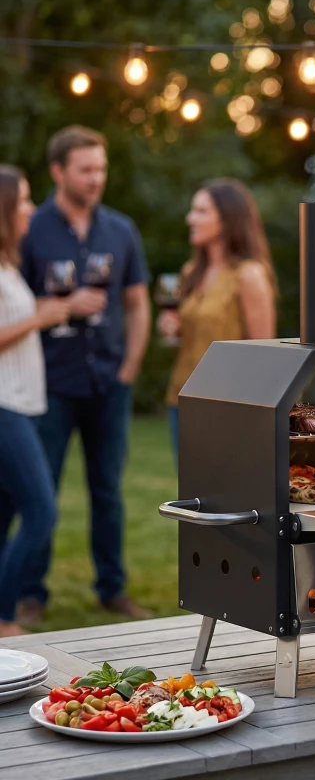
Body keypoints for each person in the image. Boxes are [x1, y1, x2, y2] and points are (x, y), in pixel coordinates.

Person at [17, 125, 152, 623]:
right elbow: (10, 302)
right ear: (58, 171)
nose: (96, 179)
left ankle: (112, 588)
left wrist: (131, 365)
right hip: (49, 382)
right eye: (86, 169)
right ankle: (31, 594)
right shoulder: (30, 227)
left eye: (101, 168)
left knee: (108, 489)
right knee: (40, 489)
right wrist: (63, 305)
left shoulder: (120, 230)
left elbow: (137, 303)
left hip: (107, 383)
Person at [158, 178, 277, 457]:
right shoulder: (191, 272)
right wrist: (173, 329)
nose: (190, 219)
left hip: (226, 404)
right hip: (182, 398)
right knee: (190, 495)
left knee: (223, 494)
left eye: (201, 211)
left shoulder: (249, 275)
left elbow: (264, 354)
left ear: (228, 219)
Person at [0, 166, 70, 637]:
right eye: (23, 200)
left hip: (22, 403)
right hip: (4, 405)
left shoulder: (9, 263)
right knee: (41, 510)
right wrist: (41, 317)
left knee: (5, 514)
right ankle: (4, 617)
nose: (31, 208)